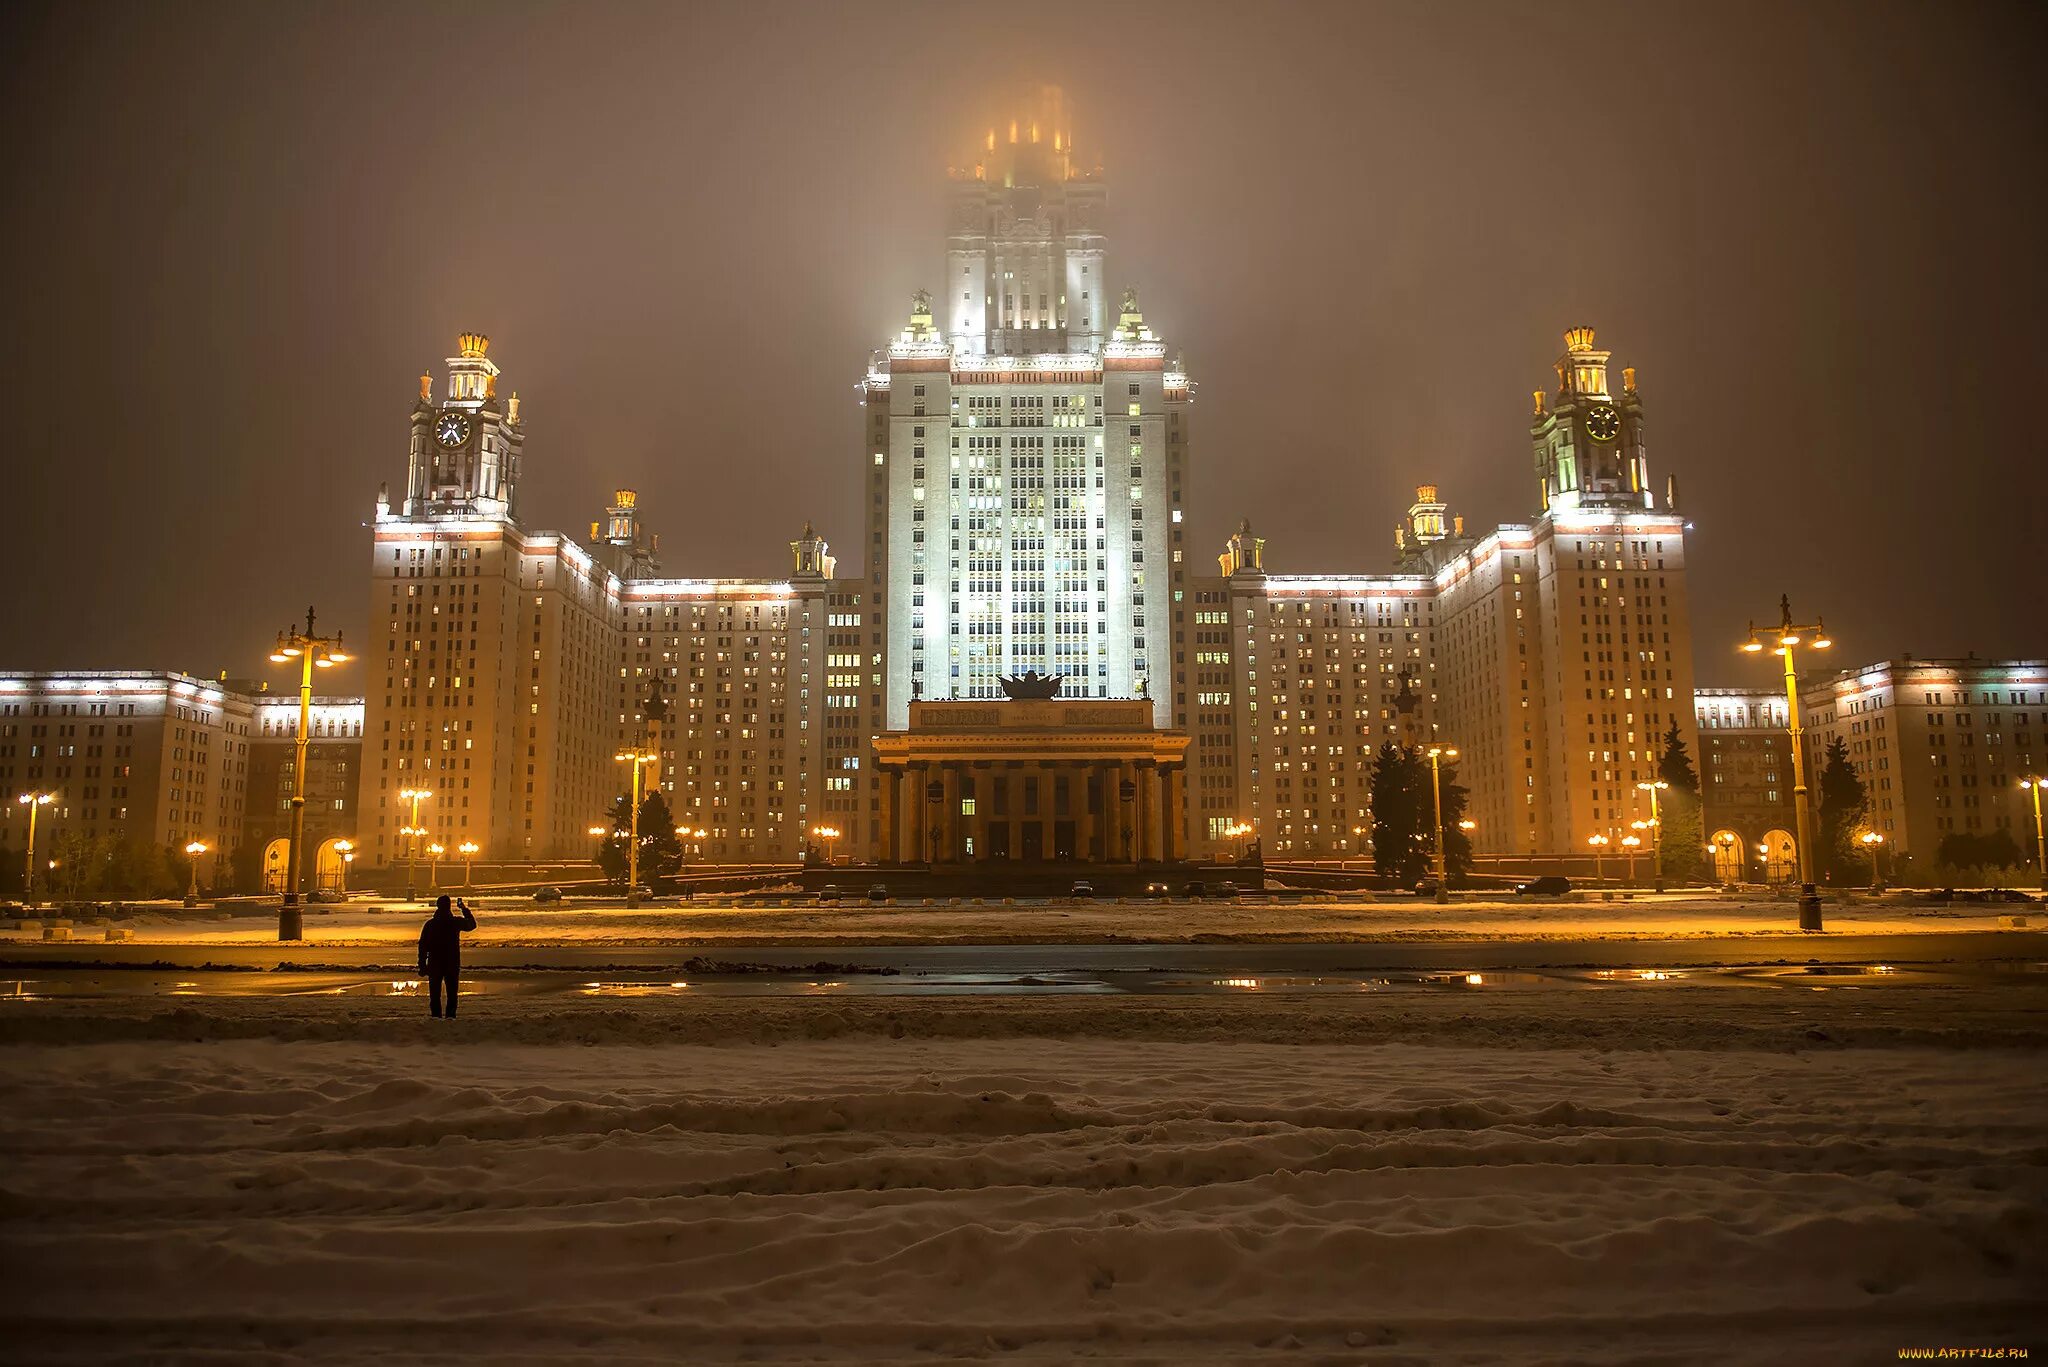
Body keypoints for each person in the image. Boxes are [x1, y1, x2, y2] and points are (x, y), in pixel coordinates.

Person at [416, 894, 477, 1018]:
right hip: (452, 964)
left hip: (435, 963)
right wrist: (463, 908)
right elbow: (472, 925)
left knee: (435, 996)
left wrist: (422, 965)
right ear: (449, 906)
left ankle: (436, 1018)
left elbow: (423, 946)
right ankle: (450, 1018)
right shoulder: (455, 922)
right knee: (452, 996)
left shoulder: (430, 924)